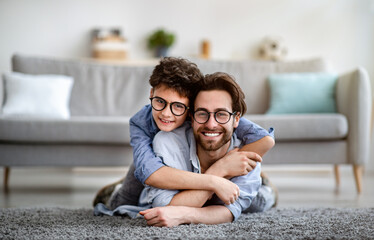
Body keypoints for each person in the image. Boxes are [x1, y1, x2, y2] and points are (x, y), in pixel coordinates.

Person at [93, 57, 275, 212]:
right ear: (151, 94)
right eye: (160, 102)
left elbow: (265, 141)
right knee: (125, 200)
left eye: (178, 106)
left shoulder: (208, 117)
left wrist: (236, 164)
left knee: (251, 203)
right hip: (151, 165)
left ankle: (267, 189)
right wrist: (217, 174)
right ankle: (114, 191)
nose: (166, 113)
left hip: (192, 166)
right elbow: (151, 174)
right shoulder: (141, 122)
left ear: (190, 109)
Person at [138, 72, 276, 226]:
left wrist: (183, 215)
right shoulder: (168, 142)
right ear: (191, 117)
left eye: (221, 114)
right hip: (162, 176)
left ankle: (268, 189)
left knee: (258, 203)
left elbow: (229, 212)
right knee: (135, 191)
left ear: (236, 119)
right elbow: (163, 205)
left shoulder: (245, 151)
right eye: (202, 114)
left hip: (250, 193)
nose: (211, 124)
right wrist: (219, 170)